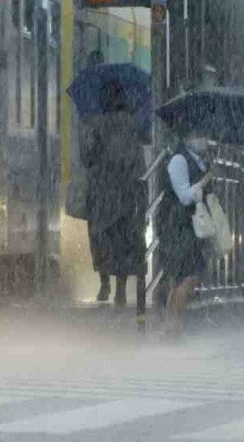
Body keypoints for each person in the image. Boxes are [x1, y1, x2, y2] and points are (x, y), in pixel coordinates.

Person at [79, 81, 147, 307]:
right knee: (123, 242)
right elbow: (138, 164)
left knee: (101, 240)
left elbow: (87, 159)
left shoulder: (97, 124)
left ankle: (104, 283)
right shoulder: (133, 126)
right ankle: (120, 289)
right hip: (126, 195)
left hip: (101, 195)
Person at [157, 130, 213, 337]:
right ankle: (175, 328)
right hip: (177, 226)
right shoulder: (179, 160)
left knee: (180, 279)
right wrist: (202, 184)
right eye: (201, 136)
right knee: (188, 277)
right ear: (188, 138)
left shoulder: (199, 160)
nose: (205, 140)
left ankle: (172, 328)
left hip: (187, 227)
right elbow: (183, 196)